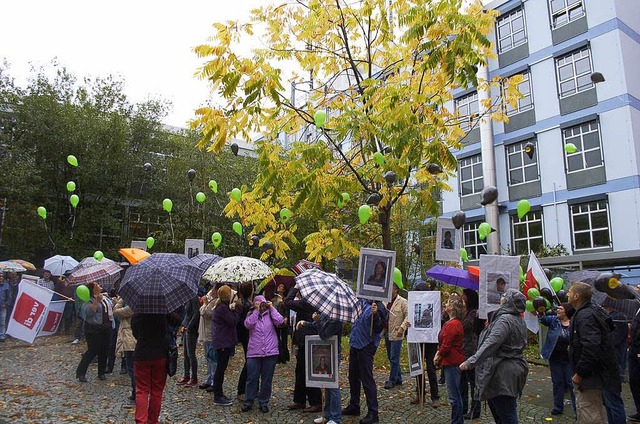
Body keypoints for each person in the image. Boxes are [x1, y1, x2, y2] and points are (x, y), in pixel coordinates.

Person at [460, 289, 529, 424]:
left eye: (504, 296)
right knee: (502, 412)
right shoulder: (518, 320)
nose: (501, 297)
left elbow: (491, 343)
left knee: (507, 414)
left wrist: (471, 361)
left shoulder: (505, 320)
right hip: (508, 369)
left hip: (503, 372)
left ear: (509, 301)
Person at [567, 282, 624, 424]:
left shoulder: (585, 316)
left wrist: (580, 373)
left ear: (576, 296)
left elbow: (591, 346)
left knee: (589, 412)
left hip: (592, 376)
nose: (567, 294)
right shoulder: (592, 310)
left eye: (569, 291)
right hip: (601, 372)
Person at [342, 299, 389, 424]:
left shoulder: (379, 306)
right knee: (353, 376)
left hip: (366, 346)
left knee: (367, 379)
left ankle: (373, 413)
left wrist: (376, 314)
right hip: (355, 344)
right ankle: (354, 405)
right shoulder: (361, 302)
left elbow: (380, 327)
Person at [131, 309, 181, 424]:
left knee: (142, 390)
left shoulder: (138, 312)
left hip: (142, 354)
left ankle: (141, 420)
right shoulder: (162, 310)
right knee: (156, 391)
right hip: (160, 354)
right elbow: (178, 320)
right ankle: (153, 421)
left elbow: (135, 334)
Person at [241, 295, 284, 413]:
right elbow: (248, 325)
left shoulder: (270, 314)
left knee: (267, 379)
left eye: (263, 304)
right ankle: (248, 401)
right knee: (251, 378)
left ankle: (264, 402)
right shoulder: (251, 314)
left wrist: (272, 308)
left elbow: (280, 321)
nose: (262, 307)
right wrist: (256, 311)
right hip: (254, 352)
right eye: (260, 304)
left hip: (270, 352)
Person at [300, 312, 343, 424]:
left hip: (332, 353)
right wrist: (305, 323)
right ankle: (328, 415)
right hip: (326, 351)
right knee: (327, 385)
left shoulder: (337, 318)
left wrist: (318, 321)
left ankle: (335, 418)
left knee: (333, 386)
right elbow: (316, 326)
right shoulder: (326, 313)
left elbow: (324, 334)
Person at [286, 285, 322, 412]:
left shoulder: (305, 302)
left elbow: (287, 302)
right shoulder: (316, 301)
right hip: (307, 339)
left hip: (307, 339)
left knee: (307, 371)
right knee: (301, 370)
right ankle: (300, 400)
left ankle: (315, 402)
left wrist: (294, 288)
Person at [407, 280, 441, 408]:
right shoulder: (413, 303)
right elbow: (411, 317)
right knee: (418, 368)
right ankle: (420, 394)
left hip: (430, 340)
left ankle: (435, 396)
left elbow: (436, 320)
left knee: (431, 368)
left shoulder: (433, 302)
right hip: (417, 338)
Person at [539, 303, 576, 416]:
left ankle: (577, 410)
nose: (558, 310)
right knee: (557, 383)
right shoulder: (554, 320)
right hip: (555, 358)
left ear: (567, 311)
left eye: (561, 308)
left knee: (572, 384)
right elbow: (543, 319)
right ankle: (558, 407)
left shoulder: (574, 323)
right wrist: (540, 309)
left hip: (569, 360)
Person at [75, 282, 114, 382]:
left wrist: (112, 300)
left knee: (104, 350)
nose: (100, 285)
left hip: (106, 327)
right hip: (93, 329)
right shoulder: (89, 300)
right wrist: (97, 301)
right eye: (97, 285)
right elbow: (88, 313)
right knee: (93, 350)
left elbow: (111, 307)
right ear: (93, 289)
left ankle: (101, 372)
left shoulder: (104, 297)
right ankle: (80, 372)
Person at [434, 298, 465, 424]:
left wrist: (438, 356)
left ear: (452, 308)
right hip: (451, 361)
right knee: (455, 395)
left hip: (452, 362)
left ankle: (457, 421)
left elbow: (446, 346)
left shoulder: (453, 324)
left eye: (447, 302)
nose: (445, 304)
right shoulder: (453, 323)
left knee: (454, 396)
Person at [211, 285, 242, 406]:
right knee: (220, 369)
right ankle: (218, 395)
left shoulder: (221, 306)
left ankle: (219, 393)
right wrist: (238, 308)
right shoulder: (222, 308)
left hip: (223, 340)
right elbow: (233, 321)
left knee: (221, 368)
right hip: (223, 342)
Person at [461, 289, 482, 419]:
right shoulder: (467, 312)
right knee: (462, 381)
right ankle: (464, 407)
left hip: (471, 351)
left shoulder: (474, 313)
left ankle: (475, 409)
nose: (462, 298)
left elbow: (468, 326)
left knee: (473, 382)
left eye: (464, 296)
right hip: (464, 350)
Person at [384, 282, 408, 389]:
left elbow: (408, 315)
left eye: (391, 288)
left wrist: (403, 327)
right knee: (390, 356)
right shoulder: (386, 301)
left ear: (396, 290)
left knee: (394, 357)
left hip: (397, 332)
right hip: (387, 332)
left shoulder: (402, 301)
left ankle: (392, 380)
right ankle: (399, 378)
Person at [113, 297, 136, 401]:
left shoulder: (131, 307)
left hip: (130, 340)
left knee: (132, 369)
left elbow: (116, 311)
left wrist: (119, 301)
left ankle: (136, 392)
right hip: (138, 341)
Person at [236, 281, 254, 401]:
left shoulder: (241, 303)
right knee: (250, 362)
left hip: (244, 336)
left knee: (251, 361)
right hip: (247, 336)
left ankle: (250, 388)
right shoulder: (247, 305)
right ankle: (242, 389)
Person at [176, 295, 200, 388]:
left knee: (191, 354)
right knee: (186, 353)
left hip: (191, 329)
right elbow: (187, 314)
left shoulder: (193, 298)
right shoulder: (187, 298)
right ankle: (186, 375)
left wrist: (189, 326)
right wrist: (184, 325)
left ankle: (194, 377)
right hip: (186, 328)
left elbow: (196, 313)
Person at [198, 285, 218, 391]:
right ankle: (209, 379)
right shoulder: (211, 301)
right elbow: (201, 311)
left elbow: (206, 313)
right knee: (207, 357)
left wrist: (205, 303)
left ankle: (213, 381)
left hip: (211, 333)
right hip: (206, 333)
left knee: (212, 358)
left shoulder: (215, 302)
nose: (212, 291)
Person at [271, 283, 291, 364]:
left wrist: (286, 317)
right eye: (279, 286)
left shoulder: (286, 299)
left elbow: (288, 309)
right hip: (276, 321)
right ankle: (279, 356)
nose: (279, 287)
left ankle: (285, 356)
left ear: (284, 290)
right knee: (277, 339)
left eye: (281, 286)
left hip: (284, 321)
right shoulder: (273, 299)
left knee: (284, 339)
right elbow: (273, 310)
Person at [0, 273, 11, 341]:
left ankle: (2, 335)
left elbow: (9, 297)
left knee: (2, 322)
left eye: (2, 276)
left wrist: (6, 304)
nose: (1, 277)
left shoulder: (6, 286)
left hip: (2, 306)